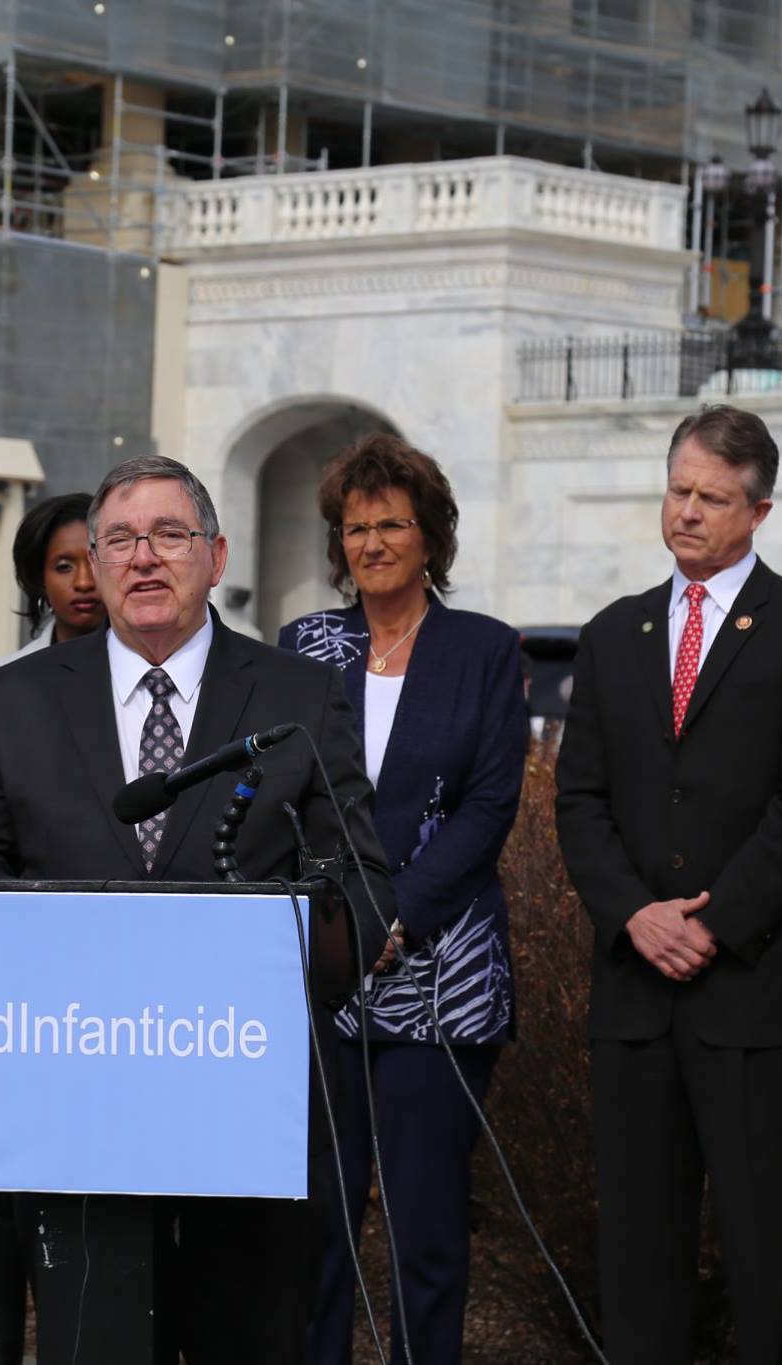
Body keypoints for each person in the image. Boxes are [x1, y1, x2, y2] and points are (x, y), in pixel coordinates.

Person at [0, 454, 393, 1365]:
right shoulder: (12, 701)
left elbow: (364, 881)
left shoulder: (298, 697)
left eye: (170, 536)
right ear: (93, 565)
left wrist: (305, 933)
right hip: (75, 1102)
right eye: (119, 541)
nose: (144, 558)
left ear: (216, 556)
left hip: (246, 1100)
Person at [554, 404, 782, 1365]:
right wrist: (636, 915)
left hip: (759, 992)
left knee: (769, 1245)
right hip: (638, 990)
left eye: (713, 498)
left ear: (759, 509)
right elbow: (579, 799)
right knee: (639, 1243)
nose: (687, 512)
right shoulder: (613, 631)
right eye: (678, 490)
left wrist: (715, 923)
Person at [278, 433, 528, 1365]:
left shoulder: (484, 650)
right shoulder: (308, 643)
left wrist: (396, 914)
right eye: (355, 527)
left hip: (439, 977)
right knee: (318, 1218)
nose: (372, 542)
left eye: (392, 523)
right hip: (325, 973)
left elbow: (489, 806)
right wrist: (342, 919)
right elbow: (283, 794)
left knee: (425, 1229)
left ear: (432, 537)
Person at [0, 489, 104, 1365]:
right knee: (3, 1199)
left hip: (128, 1002)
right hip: (26, 994)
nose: (85, 580)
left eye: (96, 559)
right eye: (63, 564)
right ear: (35, 580)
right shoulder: (4, 692)